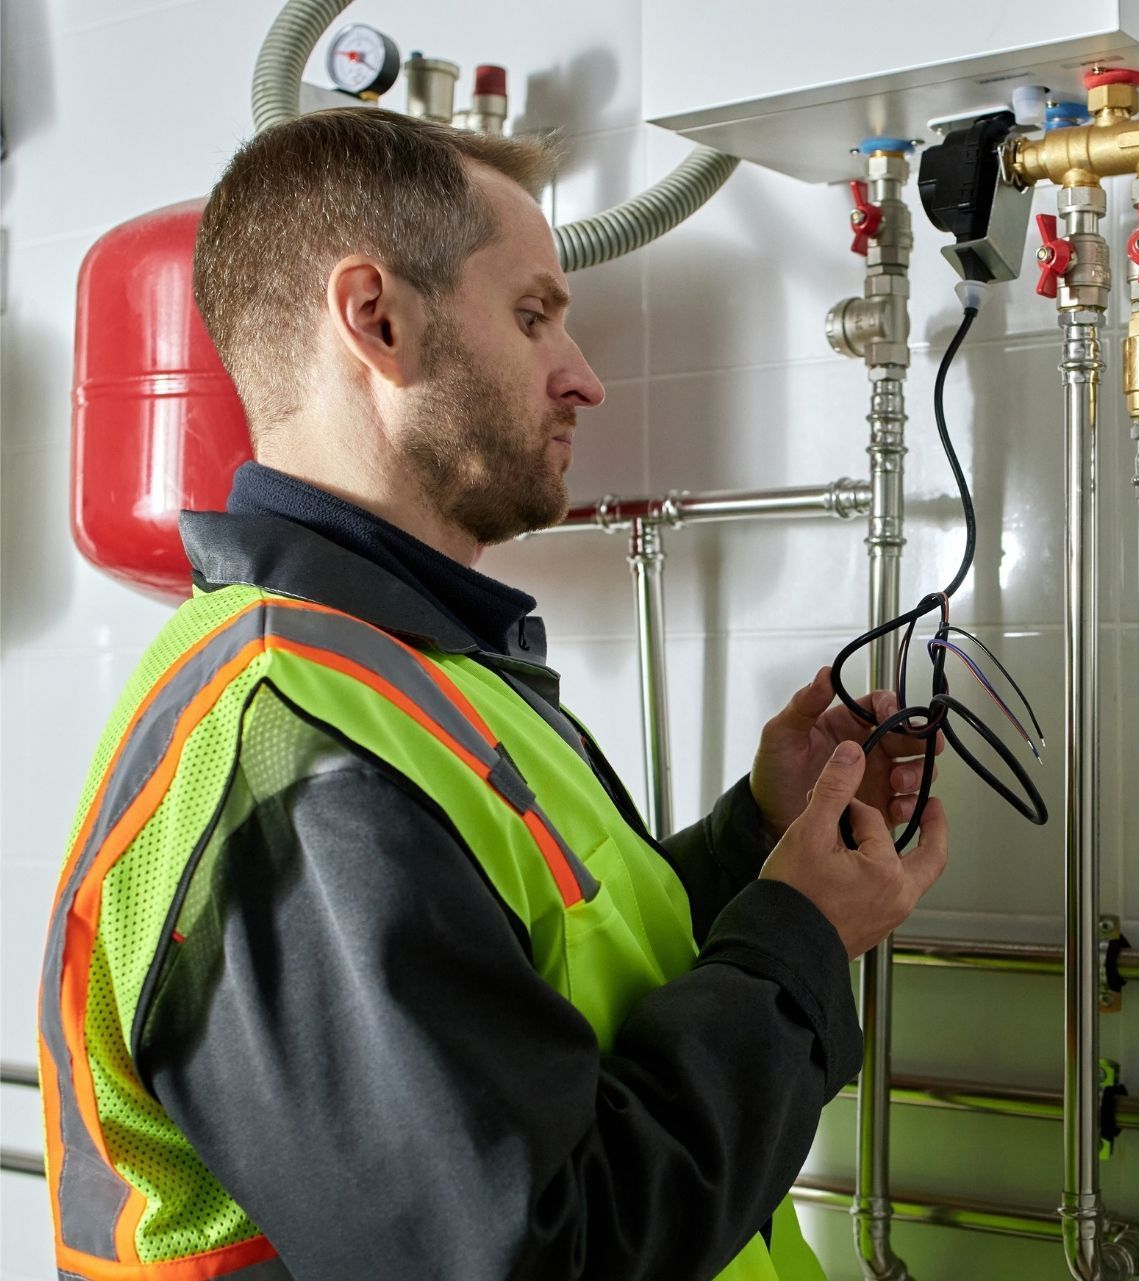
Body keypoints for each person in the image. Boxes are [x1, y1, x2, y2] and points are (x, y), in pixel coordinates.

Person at [36, 107, 949, 1281]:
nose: (585, 381)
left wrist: (760, 843)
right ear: (376, 320)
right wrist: (802, 943)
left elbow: (539, 995)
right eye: (533, 317)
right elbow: (532, 1250)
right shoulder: (290, 749)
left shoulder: (411, 670)